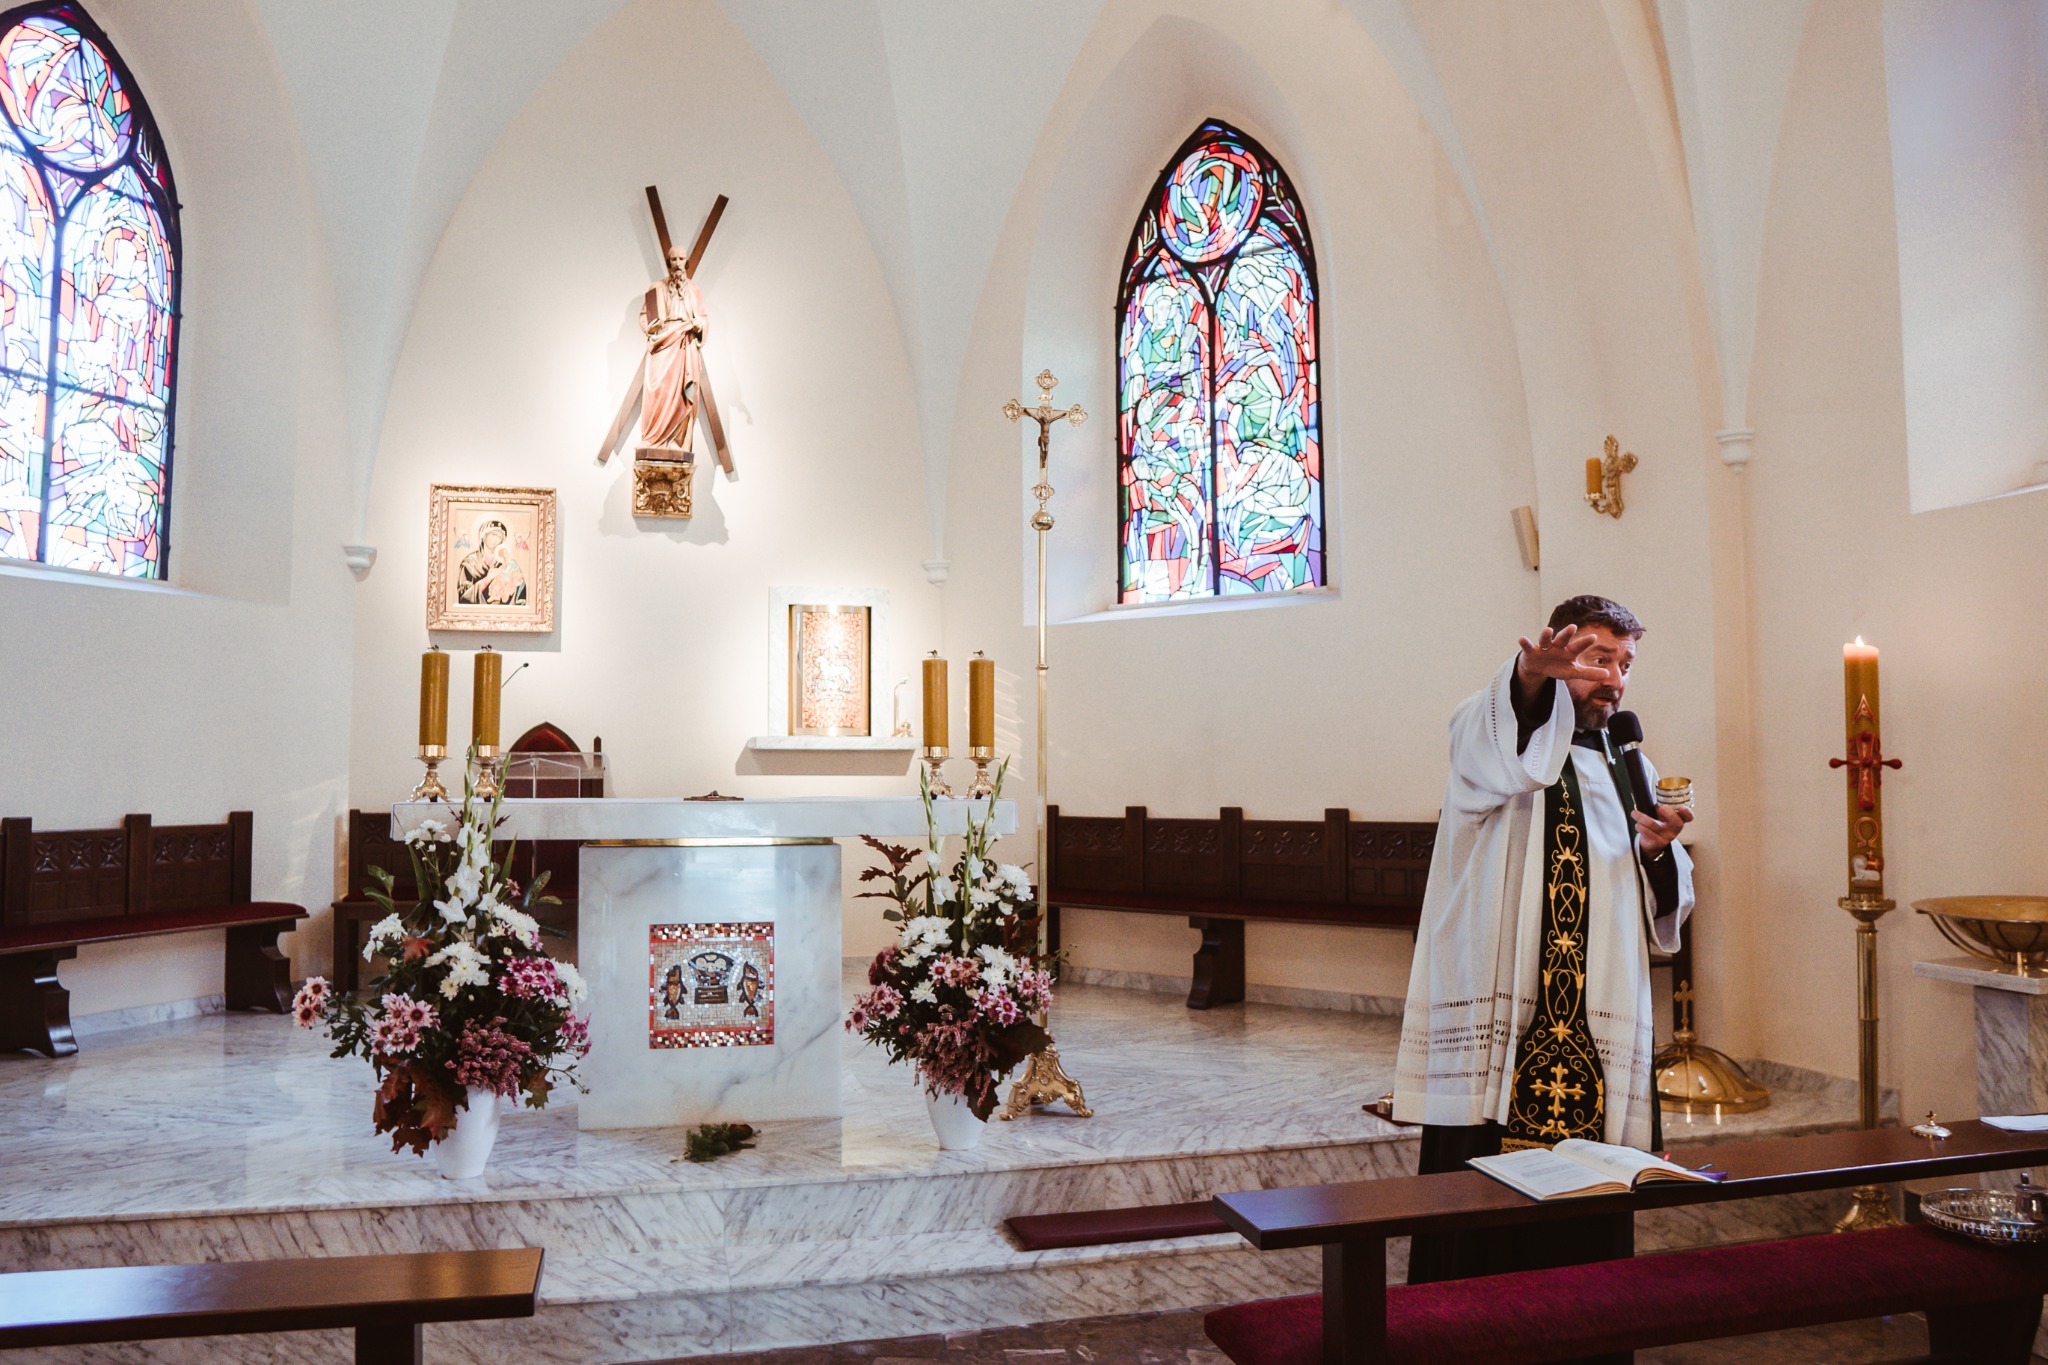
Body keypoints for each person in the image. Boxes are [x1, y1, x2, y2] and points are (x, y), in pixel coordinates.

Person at [1393, 596, 1694, 1317]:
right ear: (1554, 656)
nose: (1614, 678)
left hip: (1593, 1032)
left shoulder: (1629, 764)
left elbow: (1661, 901)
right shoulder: (1500, 735)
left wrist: (1660, 854)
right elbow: (1496, 735)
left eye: (1624, 663)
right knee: (1481, 1234)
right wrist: (1528, 679)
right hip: (1508, 1033)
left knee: (1587, 1239)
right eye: (1596, 657)